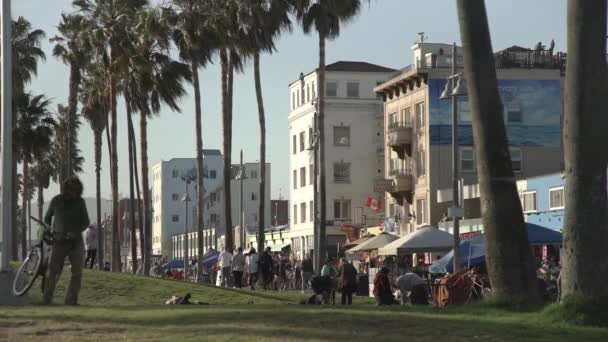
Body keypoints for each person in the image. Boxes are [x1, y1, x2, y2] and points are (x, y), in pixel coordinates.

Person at [42, 177, 90, 305]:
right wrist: (47, 230)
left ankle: (71, 300)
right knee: (53, 270)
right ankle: (47, 298)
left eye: (75, 191)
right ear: (65, 189)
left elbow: (86, 222)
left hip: (76, 242)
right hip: (58, 241)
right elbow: (47, 218)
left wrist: (74, 232)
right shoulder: (56, 201)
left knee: (77, 272)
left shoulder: (80, 203)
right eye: (70, 190)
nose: (72, 193)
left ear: (78, 191)